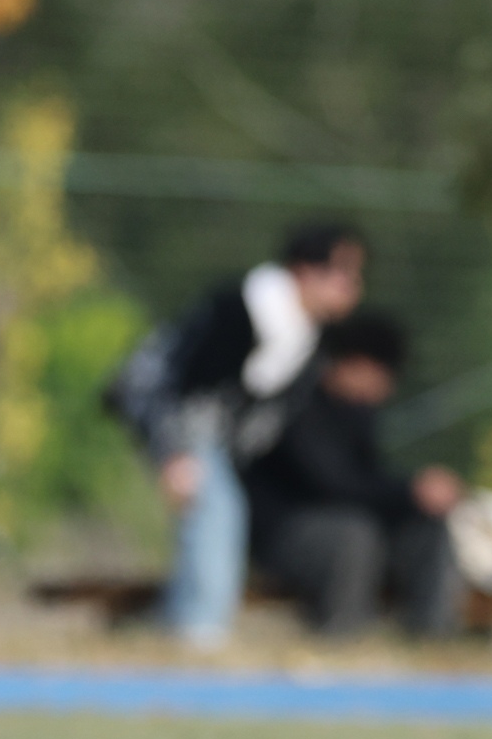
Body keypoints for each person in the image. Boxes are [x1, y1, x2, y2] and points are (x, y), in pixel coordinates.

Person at [107, 224, 365, 648]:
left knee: (221, 505)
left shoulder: (307, 338)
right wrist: (176, 453)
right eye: (344, 275)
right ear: (305, 271)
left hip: (215, 436)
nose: (353, 288)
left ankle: (180, 621)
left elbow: (264, 420)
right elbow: (186, 385)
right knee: (215, 506)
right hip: (169, 416)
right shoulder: (246, 308)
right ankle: (197, 630)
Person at [243, 311, 464, 637]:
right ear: (357, 364)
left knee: (427, 525)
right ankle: (345, 635)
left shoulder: (358, 411)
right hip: (285, 533)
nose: (385, 389)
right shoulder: (296, 402)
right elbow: (332, 484)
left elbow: (368, 479)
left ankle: (432, 635)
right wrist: (411, 491)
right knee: (354, 533)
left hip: (348, 524)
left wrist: (417, 498)